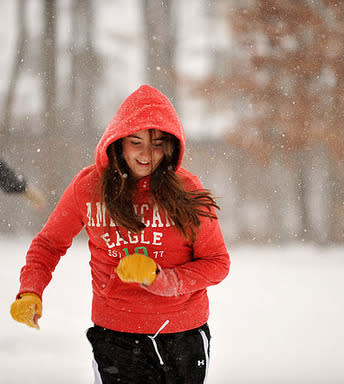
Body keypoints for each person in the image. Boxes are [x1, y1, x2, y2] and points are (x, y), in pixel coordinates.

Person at [10, 85, 230, 384]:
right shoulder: (89, 187)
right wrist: (31, 290)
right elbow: (49, 244)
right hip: (116, 336)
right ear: (118, 142)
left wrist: (160, 278)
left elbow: (217, 263)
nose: (146, 155)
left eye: (157, 144)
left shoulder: (187, 189)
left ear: (170, 146)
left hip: (182, 336)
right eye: (136, 142)